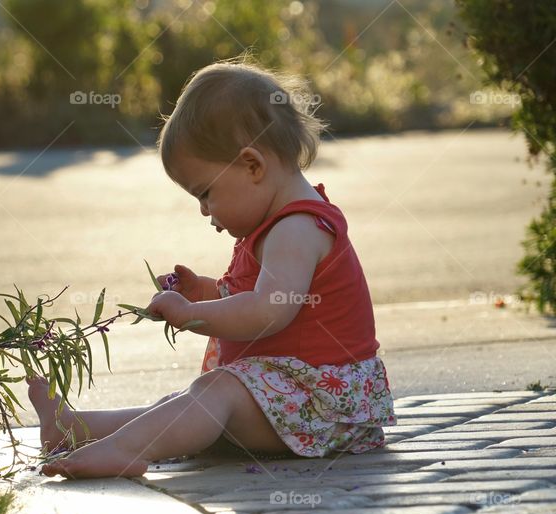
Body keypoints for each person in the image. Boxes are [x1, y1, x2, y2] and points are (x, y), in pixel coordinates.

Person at [28, 59, 396, 479]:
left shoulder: (296, 229)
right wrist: (202, 292)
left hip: (325, 410)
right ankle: (73, 430)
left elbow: (266, 311)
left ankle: (125, 450)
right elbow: (243, 295)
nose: (204, 210)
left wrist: (191, 316)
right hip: (288, 401)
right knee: (180, 406)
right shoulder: (271, 227)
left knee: (211, 394)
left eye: (206, 193)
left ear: (252, 165)